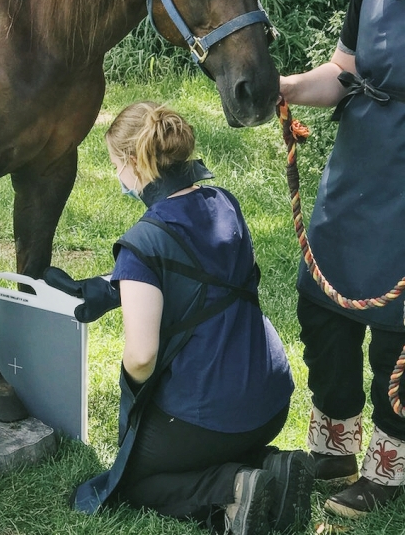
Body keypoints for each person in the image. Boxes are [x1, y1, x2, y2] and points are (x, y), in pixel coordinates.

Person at [50, 103, 312, 535]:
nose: (118, 176)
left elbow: (141, 356)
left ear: (134, 163)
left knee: (134, 478)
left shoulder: (143, 243)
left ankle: (232, 487)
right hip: (270, 402)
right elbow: (198, 273)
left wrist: (136, 407)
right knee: (200, 444)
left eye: (116, 165)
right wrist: (113, 284)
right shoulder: (224, 201)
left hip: (209, 419)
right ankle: (271, 464)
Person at [278, 0, 405, 519]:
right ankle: (335, 451)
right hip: (357, 166)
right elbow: (343, 72)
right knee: (323, 312)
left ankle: (390, 467)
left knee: (397, 337)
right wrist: (286, 90)